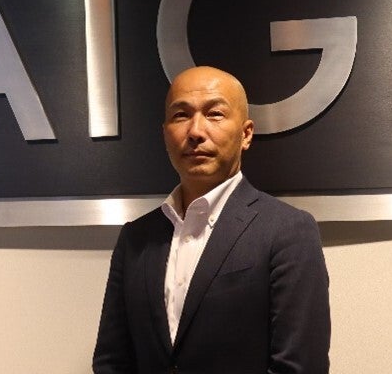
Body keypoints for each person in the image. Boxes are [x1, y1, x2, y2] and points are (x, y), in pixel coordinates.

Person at [93, 66, 330, 374]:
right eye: (181, 115)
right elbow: (111, 361)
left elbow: (300, 367)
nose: (195, 131)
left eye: (214, 114)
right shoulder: (136, 238)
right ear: (165, 133)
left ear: (246, 134)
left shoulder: (288, 231)